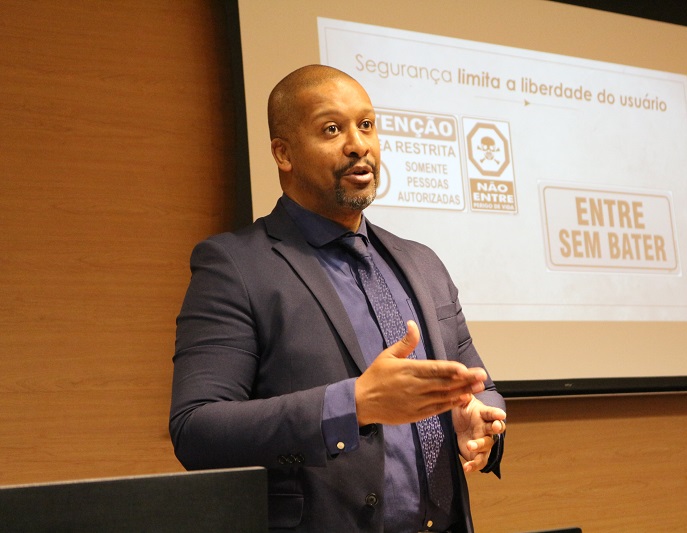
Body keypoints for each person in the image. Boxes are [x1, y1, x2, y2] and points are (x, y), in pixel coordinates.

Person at [169, 64, 506, 533]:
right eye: (332, 129)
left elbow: (479, 382)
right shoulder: (235, 267)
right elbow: (197, 430)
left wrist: (481, 417)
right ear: (283, 153)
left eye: (366, 125)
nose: (358, 144)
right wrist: (353, 403)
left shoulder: (422, 262)